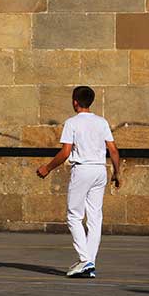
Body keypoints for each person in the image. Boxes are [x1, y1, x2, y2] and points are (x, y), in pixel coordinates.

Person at [37, 85, 120, 279]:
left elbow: (66, 152)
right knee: (95, 218)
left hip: (82, 170)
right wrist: (117, 172)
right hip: (100, 170)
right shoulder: (102, 122)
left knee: (74, 216)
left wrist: (47, 168)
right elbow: (114, 150)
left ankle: (85, 260)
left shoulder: (72, 123)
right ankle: (89, 262)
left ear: (75, 101)